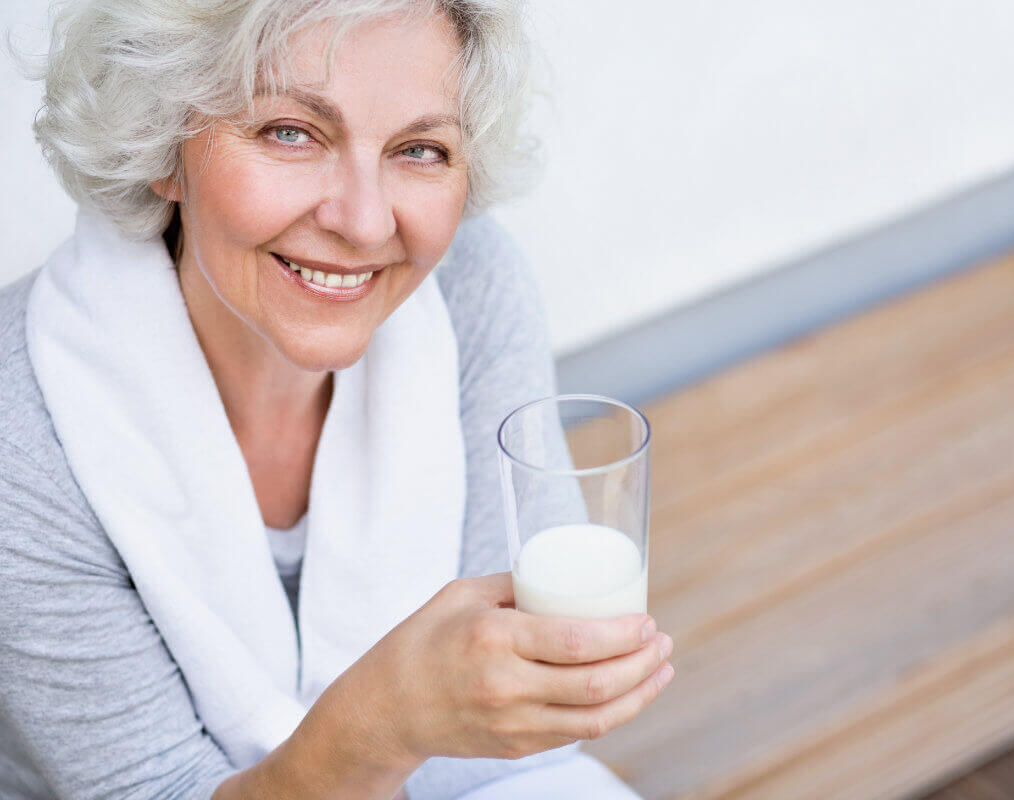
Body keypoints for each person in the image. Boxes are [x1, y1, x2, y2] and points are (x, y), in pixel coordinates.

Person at [0, 1, 674, 798]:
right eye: (290, 132)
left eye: (420, 149)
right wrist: (387, 719)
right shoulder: (24, 421)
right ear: (163, 143)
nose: (361, 222)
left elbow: (522, 736)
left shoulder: (469, 286)